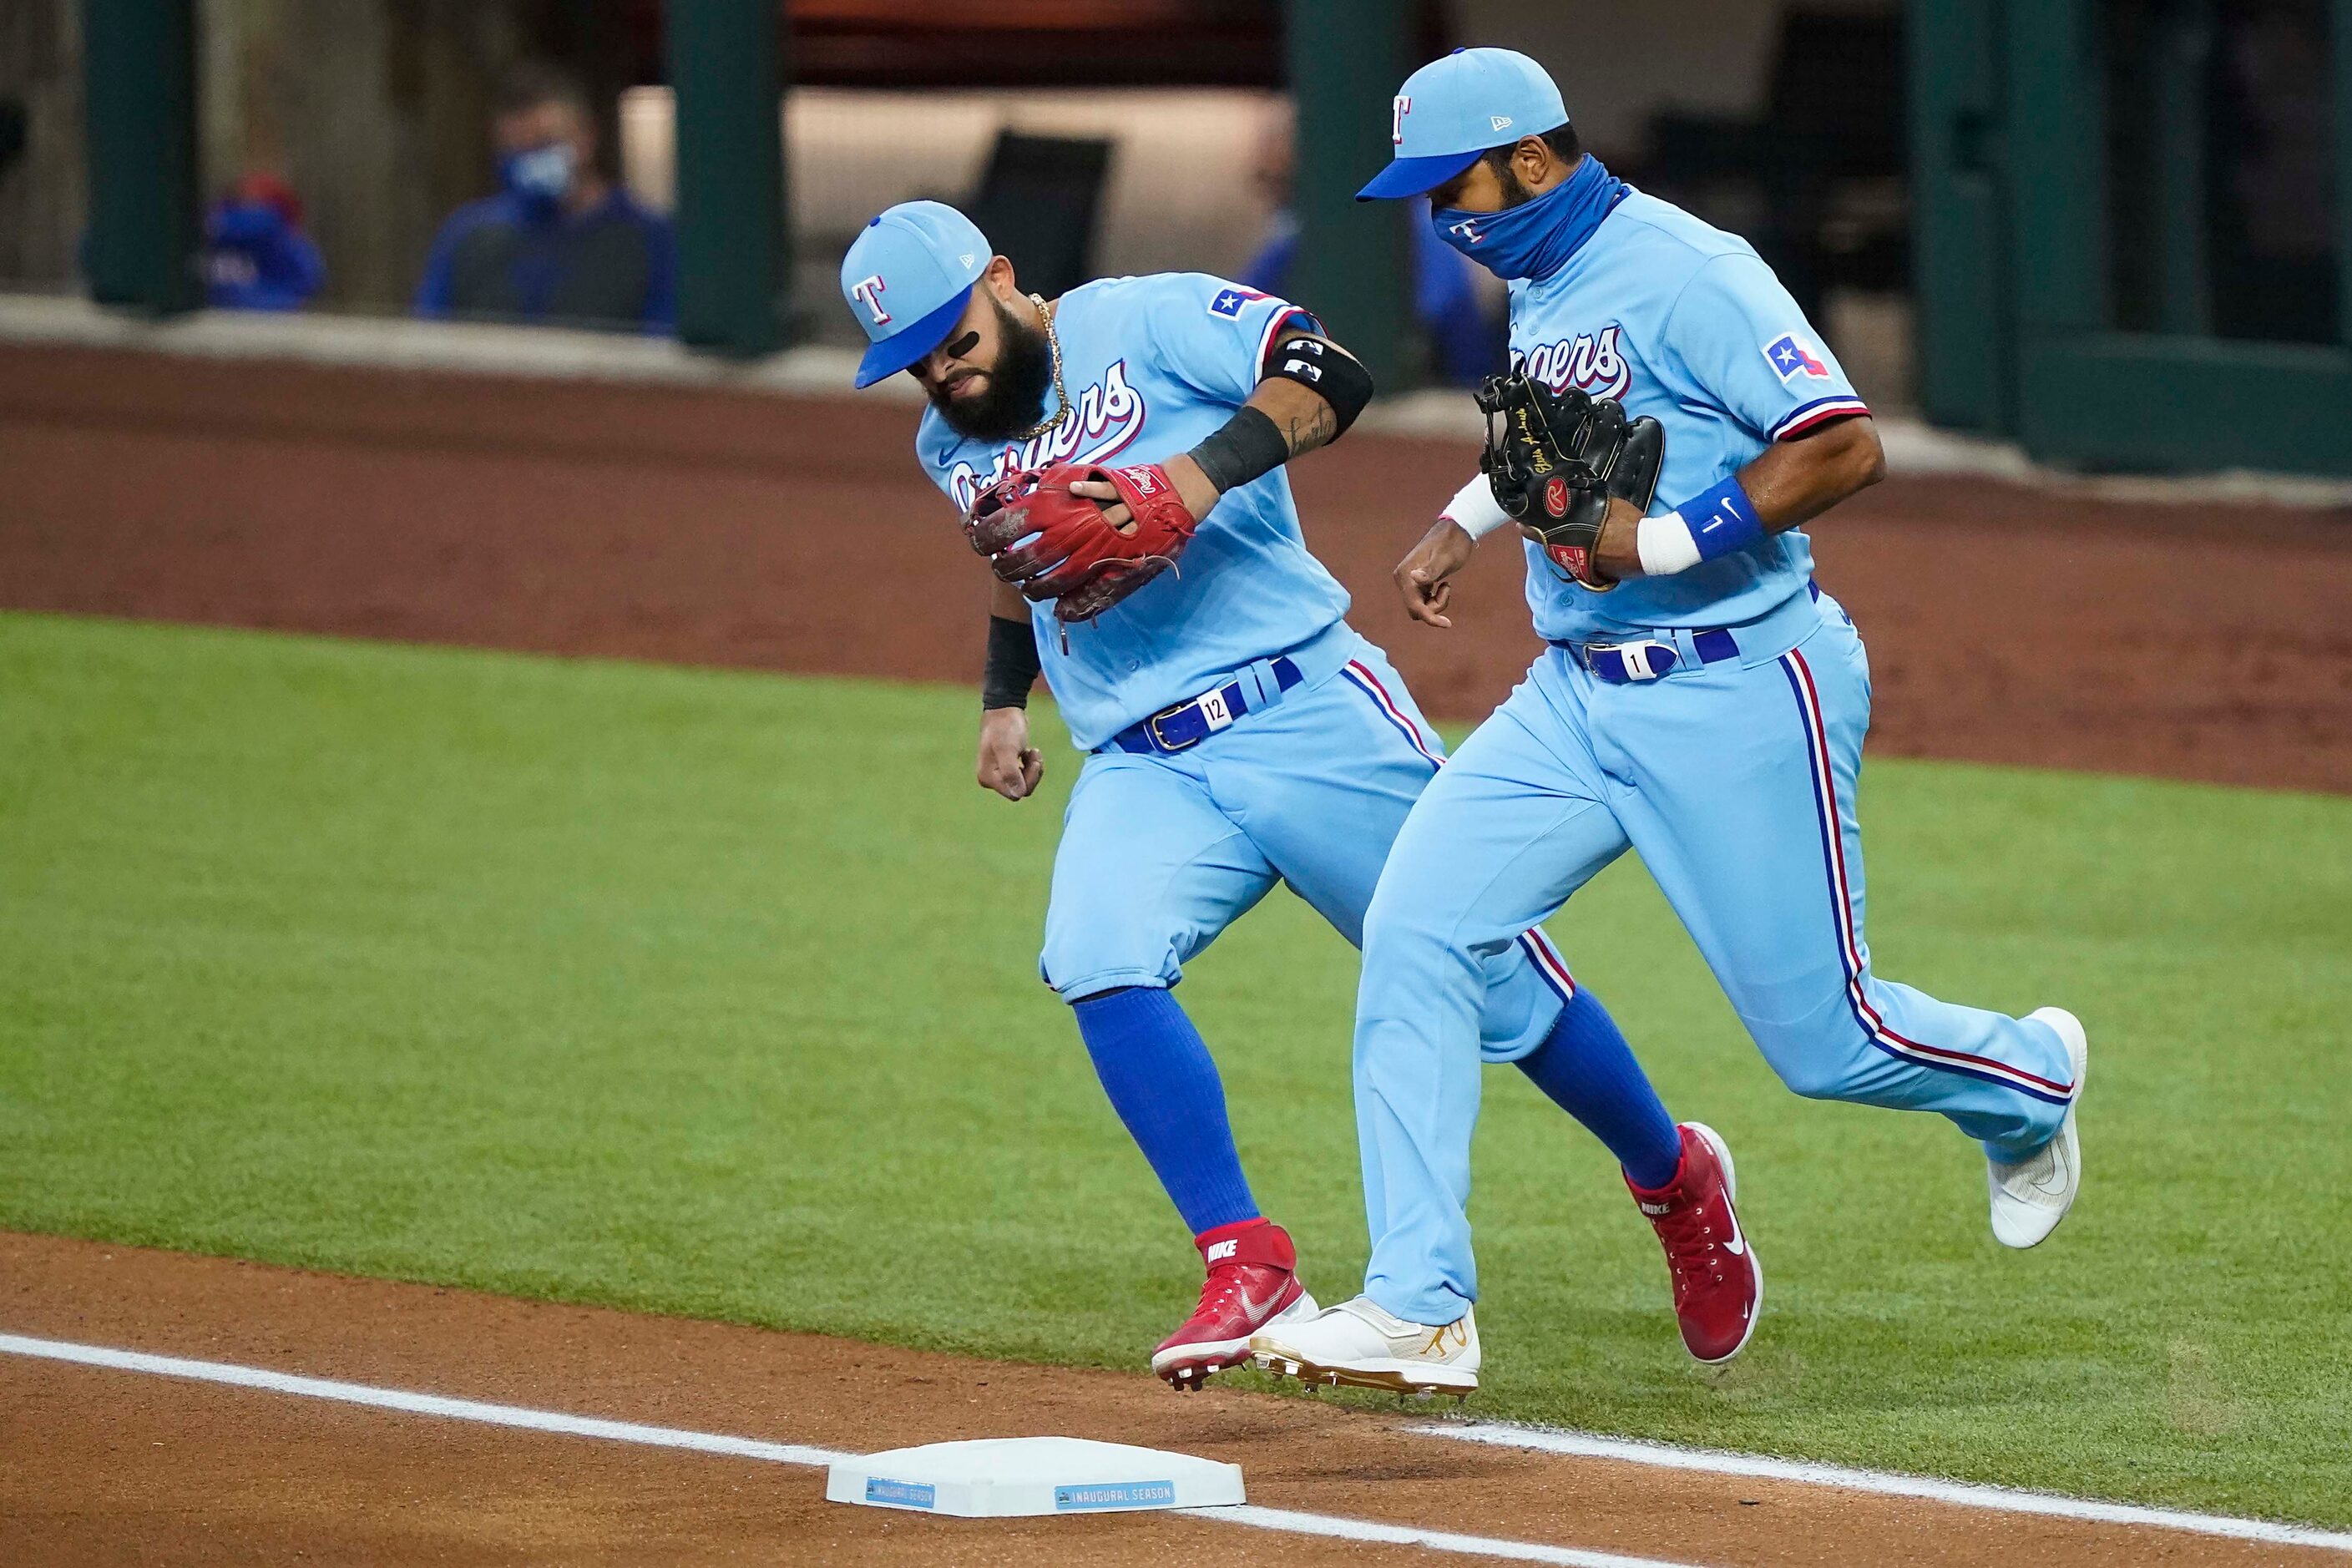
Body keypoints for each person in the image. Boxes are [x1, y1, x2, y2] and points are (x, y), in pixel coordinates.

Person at [1249, 48, 2086, 1395]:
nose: (1440, 215)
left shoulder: (1692, 269)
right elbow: (1556, 441)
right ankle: (1418, 1300)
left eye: (1451, 182)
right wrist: (1463, 522)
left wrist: (1660, 542)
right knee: (1415, 927)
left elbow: (1837, 441)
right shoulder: (1540, 277)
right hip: (1573, 697)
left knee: (1829, 1042)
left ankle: (2028, 1078)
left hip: (1738, 681)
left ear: (1531, 156)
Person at [840, 199, 1742, 1393]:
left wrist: (1188, 484)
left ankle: (1673, 1177)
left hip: (1304, 711)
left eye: (956, 344)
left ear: (1001, 279)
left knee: (1495, 987)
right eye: (916, 371)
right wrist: (1005, 698)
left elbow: (1330, 370)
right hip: (1145, 761)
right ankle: (1244, 1253)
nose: (947, 382)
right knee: (1095, 955)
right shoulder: (948, 442)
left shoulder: (1147, 318)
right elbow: (1013, 558)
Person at [1235, 103, 1500, 386]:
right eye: (1264, 180)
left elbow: (1455, 339)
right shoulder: (1293, 240)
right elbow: (1240, 321)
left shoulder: (1417, 229)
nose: (1272, 196)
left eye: (1280, 181)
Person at [415, 63, 674, 332]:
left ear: (587, 138)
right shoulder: (469, 237)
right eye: (515, 150)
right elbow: (430, 342)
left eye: (544, 144)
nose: (529, 161)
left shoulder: (650, 240)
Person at [202, 174, 325, 312]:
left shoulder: (283, 238)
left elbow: (308, 277)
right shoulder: (219, 226)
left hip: (268, 313)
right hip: (262, 313)